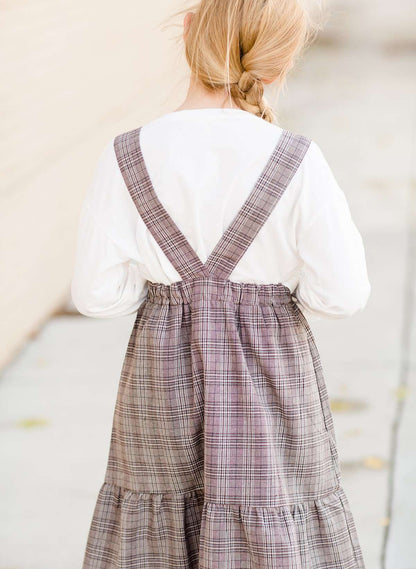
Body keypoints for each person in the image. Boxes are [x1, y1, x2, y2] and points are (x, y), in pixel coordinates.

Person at [71, 1, 371, 567]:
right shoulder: (296, 160)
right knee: (274, 512)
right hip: (273, 381)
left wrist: (169, 295)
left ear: (187, 32)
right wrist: (269, 296)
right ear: (278, 65)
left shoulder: (127, 154)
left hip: (159, 383)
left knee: (157, 517)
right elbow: (343, 293)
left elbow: (97, 295)